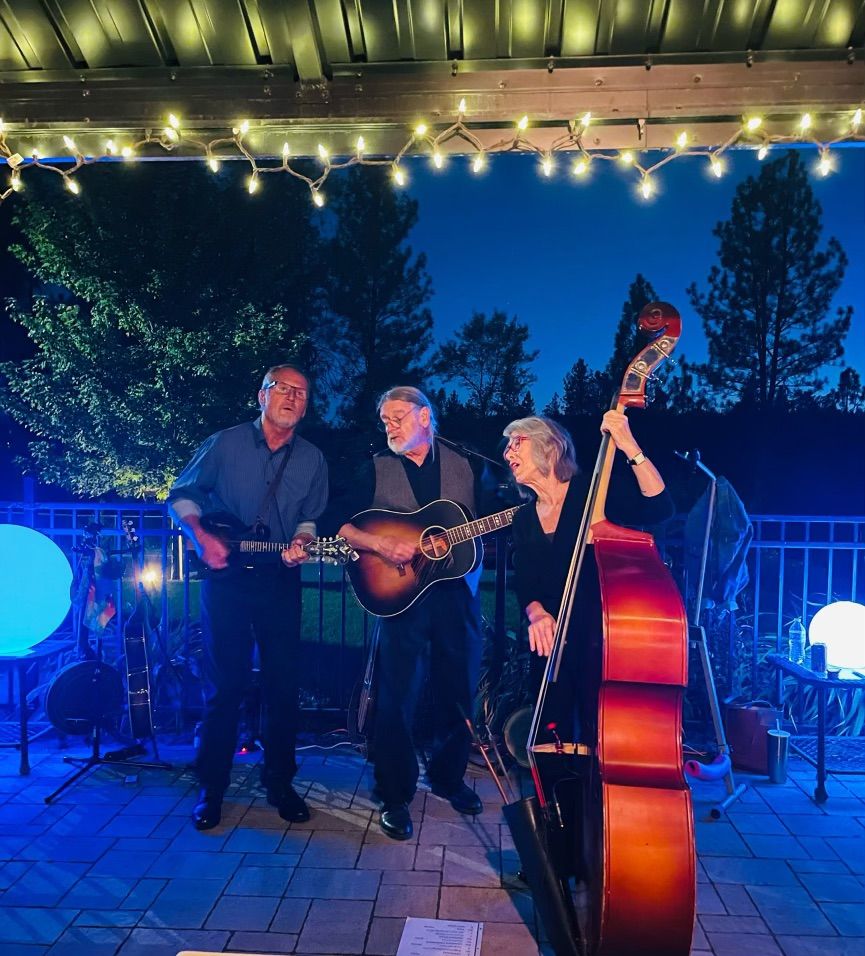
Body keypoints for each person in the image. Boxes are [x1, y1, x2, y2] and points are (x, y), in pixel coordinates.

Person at [168, 364, 328, 830]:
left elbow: (310, 518)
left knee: (283, 686)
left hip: (280, 580)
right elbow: (181, 495)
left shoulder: (313, 458)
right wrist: (200, 536)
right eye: (284, 388)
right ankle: (211, 787)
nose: (293, 397)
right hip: (228, 581)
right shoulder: (225, 443)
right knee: (225, 686)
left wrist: (301, 543)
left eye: (302, 392)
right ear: (262, 395)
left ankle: (280, 783)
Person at [334, 387, 489, 841]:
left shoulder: (466, 466)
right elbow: (340, 523)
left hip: (455, 595)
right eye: (385, 420)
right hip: (400, 596)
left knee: (458, 689)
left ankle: (448, 777)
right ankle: (395, 794)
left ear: (425, 416)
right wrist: (380, 544)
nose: (390, 427)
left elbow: (482, 526)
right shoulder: (374, 469)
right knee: (396, 696)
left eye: (398, 417)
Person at [503, 412, 674, 738]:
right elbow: (524, 579)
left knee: (599, 732)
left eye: (516, 443)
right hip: (550, 640)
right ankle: (555, 790)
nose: (507, 453)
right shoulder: (524, 517)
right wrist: (535, 611)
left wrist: (627, 443)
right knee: (552, 733)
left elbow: (659, 508)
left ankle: (596, 790)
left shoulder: (593, 493)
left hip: (602, 635)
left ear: (549, 448)